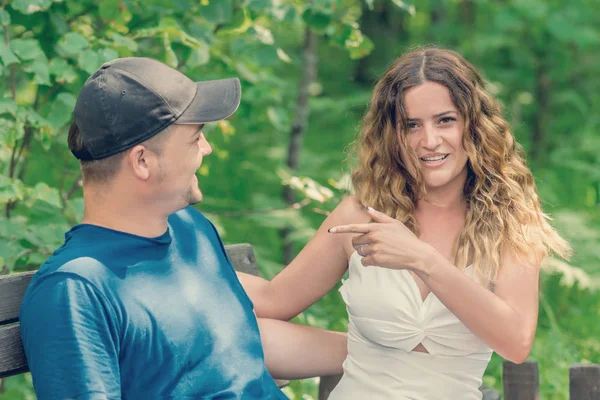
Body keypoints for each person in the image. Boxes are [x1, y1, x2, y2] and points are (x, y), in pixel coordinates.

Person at [238, 47, 571, 399]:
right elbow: (274, 299)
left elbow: (516, 342)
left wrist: (423, 260)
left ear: (474, 124)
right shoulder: (361, 215)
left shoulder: (510, 224)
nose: (429, 141)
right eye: (412, 125)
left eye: (445, 120)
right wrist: (185, 261)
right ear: (393, 135)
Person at [19, 57, 346, 399]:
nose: (207, 148)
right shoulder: (76, 290)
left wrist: (369, 352)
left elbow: (242, 330)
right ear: (142, 161)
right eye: (195, 138)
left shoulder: (189, 230)